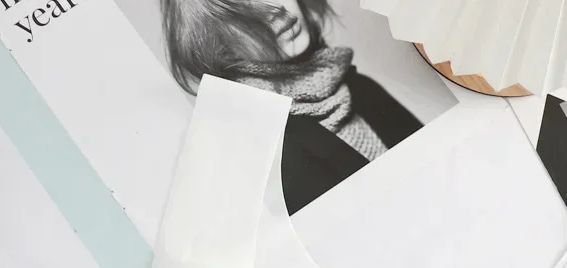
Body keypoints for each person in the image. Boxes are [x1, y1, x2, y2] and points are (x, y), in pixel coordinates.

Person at [161, 0, 423, 213]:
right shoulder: (266, 150)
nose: (277, 9)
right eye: (244, 6)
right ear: (211, 38)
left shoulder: (357, 85)